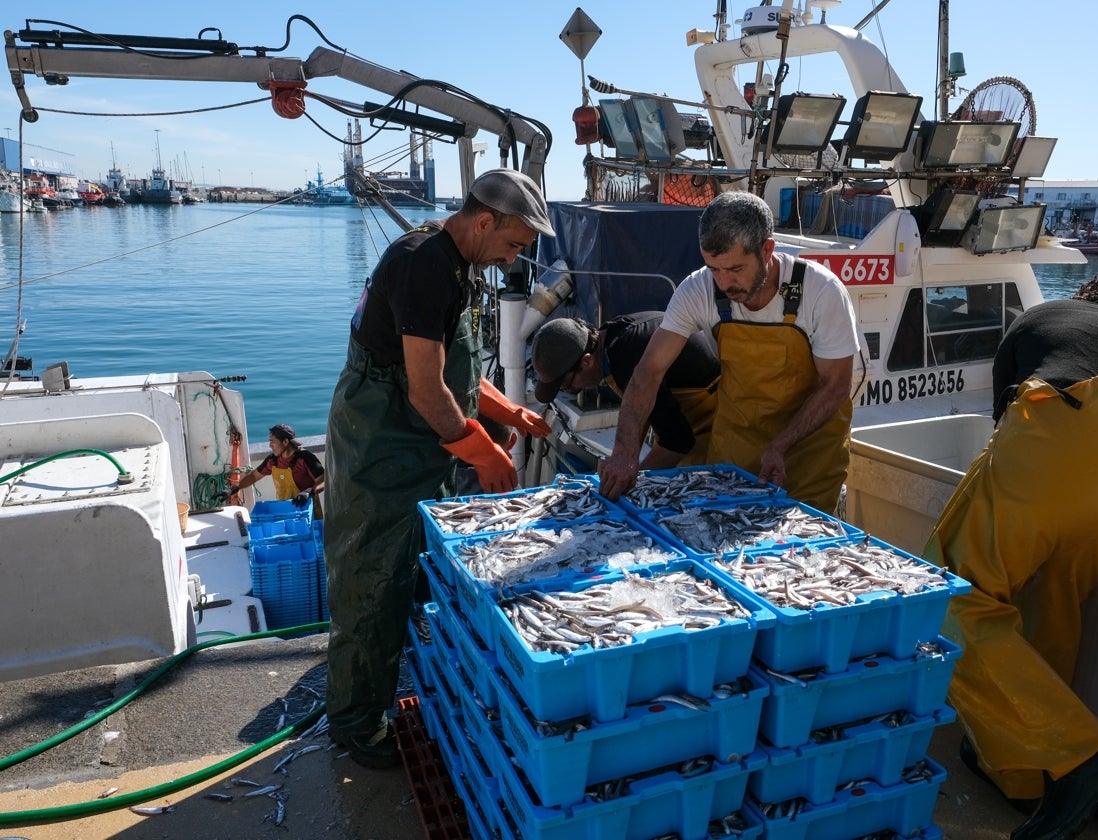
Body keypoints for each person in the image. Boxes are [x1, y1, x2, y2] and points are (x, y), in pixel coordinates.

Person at [923, 270, 1098, 840]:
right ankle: (1029, 781)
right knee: (1056, 607)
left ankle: (1083, 758)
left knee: (947, 602)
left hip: (1056, 441)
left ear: (1091, 301)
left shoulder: (1051, 315)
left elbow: (1007, 422)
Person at [322, 169, 554, 768]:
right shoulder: (425, 264)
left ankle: (406, 675)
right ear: (484, 222)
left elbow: (457, 373)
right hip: (382, 440)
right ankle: (355, 724)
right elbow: (427, 392)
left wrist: (513, 415)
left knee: (412, 570)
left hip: (418, 442)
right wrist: (484, 452)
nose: (513, 259)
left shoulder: (455, 263)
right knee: (371, 579)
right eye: (513, 244)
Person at [598, 192, 860, 512]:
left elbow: (835, 386)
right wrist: (625, 451)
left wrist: (780, 445)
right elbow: (649, 370)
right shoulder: (699, 288)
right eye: (714, 269)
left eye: (735, 268)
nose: (724, 283)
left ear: (767, 250)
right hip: (734, 460)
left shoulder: (820, 292)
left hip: (808, 465)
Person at [531, 311, 721, 469]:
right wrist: (624, 458)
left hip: (717, 414)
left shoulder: (627, 362)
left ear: (587, 361)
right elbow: (642, 409)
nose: (574, 390)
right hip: (689, 419)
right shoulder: (613, 335)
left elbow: (678, 440)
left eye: (568, 385)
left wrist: (634, 480)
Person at [228, 423, 325, 518]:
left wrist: (309, 492)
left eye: (272, 442)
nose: (270, 445)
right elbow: (253, 476)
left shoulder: (306, 458)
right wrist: (234, 489)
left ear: (285, 442)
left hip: (307, 511)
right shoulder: (273, 460)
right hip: (285, 512)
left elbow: (323, 480)